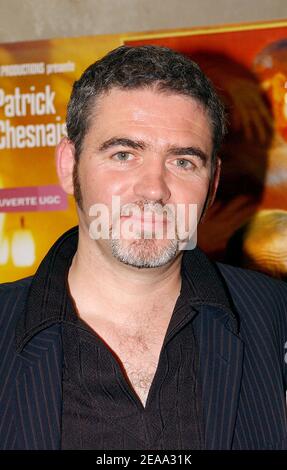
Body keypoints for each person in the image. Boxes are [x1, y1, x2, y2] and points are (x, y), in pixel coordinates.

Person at [1, 45, 287, 451]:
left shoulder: (275, 320)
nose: (154, 188)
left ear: (213, 182)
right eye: (123, 154)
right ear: (69, 166)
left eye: (183, 162)